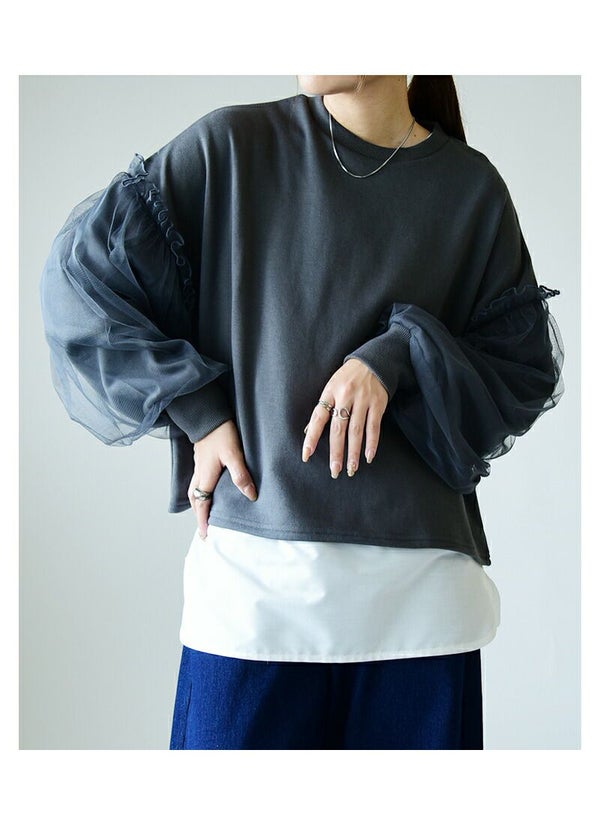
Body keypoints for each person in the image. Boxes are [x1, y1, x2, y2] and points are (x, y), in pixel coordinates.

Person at [39, 75, 565, 750]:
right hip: (254, 600)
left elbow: (523, 368)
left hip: (422, 616)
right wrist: (199, 412)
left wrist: (398, 353)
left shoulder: (472, 190)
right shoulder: (232, 147)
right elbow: (83, 281)